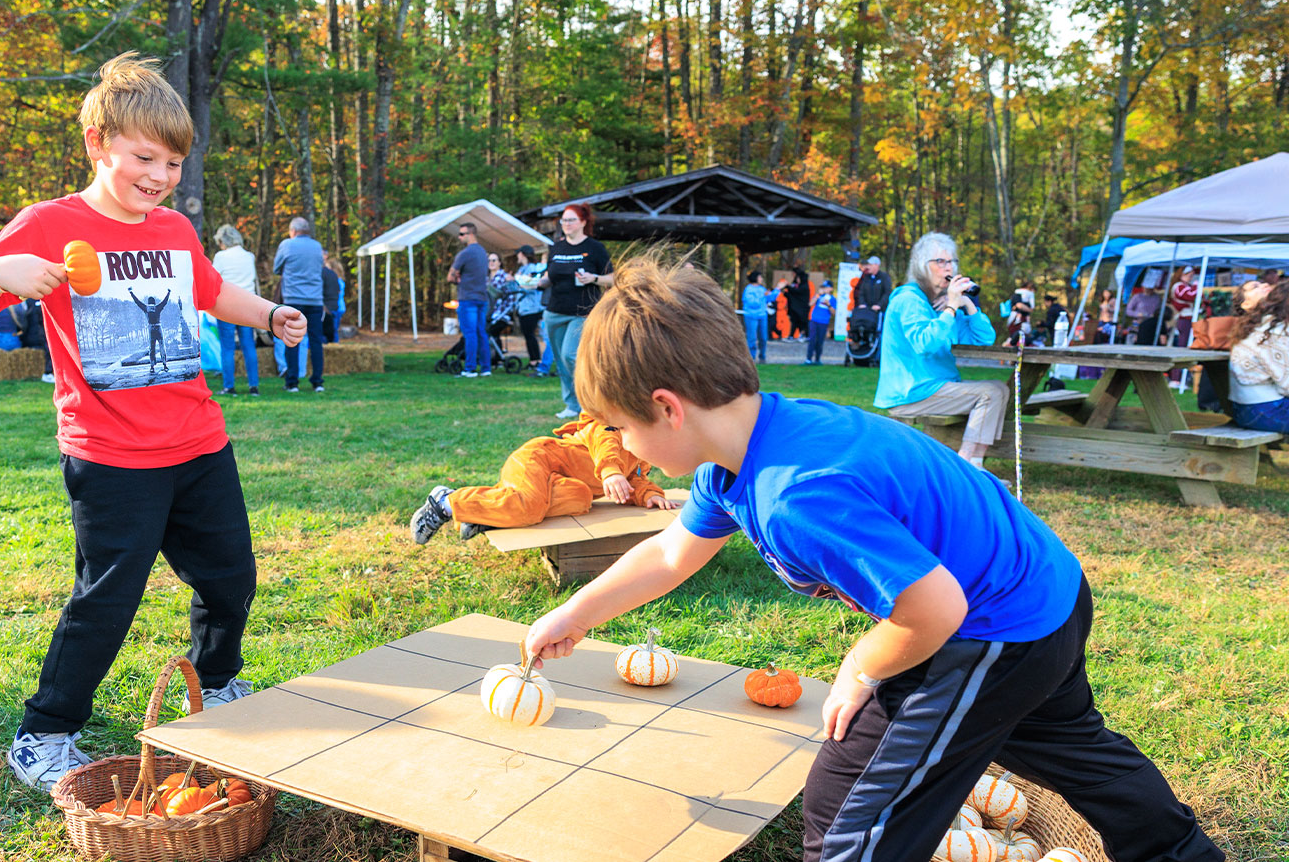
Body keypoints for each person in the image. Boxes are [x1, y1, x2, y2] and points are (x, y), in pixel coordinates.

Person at [520, 258, 1223, 862]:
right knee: (1074, 751)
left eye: (619, 429)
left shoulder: (798, 493)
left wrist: (863, 664)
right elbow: (673, 553)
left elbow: (935, 608)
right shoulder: (745, 452)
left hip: (989, 629)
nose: (622, 447)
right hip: (1048, 589)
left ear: (667, 409)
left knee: (845, 814)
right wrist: (577, 611)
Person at [0, 52, 308, 793]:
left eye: (173, 162)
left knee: (231, 577)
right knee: (107, 597)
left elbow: (208, 291)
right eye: (146, 157)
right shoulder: (50, 224)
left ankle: (218, 685)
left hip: (200, 443)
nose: (161, 175)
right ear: (96, 143)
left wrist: (268, 313)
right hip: (110, 456)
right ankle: (44, 734)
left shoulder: (172, 228)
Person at [410, 412, 678, 545]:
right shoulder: (609, 426)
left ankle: (485, 516)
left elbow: (635, 482)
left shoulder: (640, 457)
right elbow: (604, 442)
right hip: (539, 459)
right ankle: (444, 502)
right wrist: (611, 471)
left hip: (559, 481)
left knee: (582, 498)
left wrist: (651, 495)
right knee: (530, 506)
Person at [874, 233, 1003, 468]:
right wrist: (951, 308)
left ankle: (976, 464)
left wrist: (967, 304)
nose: (949, 267)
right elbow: (925, 344)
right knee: (990, 393)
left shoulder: (944, 303)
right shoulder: (909, 300)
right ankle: (965, 468)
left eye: (952, 261)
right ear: (922, 267)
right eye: (940, 262)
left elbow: (984, 339)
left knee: (999, 388)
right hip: (911, 391)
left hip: (935, 385)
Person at [541, 203, 612, 417]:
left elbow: (614, 278)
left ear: (583, 222)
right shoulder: (556, 248)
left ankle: (589, 401)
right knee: (561, 361)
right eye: (564, 220)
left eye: (571, 220)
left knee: (571, 355)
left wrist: (594, 278)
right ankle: (572, 406)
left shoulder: (595, 248)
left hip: (583, 311)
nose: (566, 224)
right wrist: (532, 282)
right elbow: (548, 277)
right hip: (554, 311)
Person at [272, 216, 326, 393]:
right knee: (316, 341)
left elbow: (276, 268)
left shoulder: (287, 245)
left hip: (294, 299)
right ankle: (317, 381)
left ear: (293, 231)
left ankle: (292, 381)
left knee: (292, 340)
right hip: (315, 300)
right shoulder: (317, 247)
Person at [1227, 279, 1289, 432]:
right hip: (1265, 410)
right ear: (1246, 304)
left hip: (1245, 409)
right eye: (1255, 287)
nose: (1266, 285)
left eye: (1264, 283)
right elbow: (1286, 384)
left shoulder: (1249, 328)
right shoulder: (1269, 331)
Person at [210, 224, 259, 397]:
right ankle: (254, 386)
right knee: (248, 346)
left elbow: (213, 279)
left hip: (228, 306)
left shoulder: (221, 256)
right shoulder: (249, 256)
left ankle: (229, 386)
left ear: (223, 241)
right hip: (248, 304)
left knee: (227, 347)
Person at [449, 221, 491, 378]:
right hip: (482, 298)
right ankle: (486, 368)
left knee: (470, 334)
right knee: (481, 333)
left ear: (471, 234)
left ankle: (470, 368)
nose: (459, 237)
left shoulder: (464, 254)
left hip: (468, 298)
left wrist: (456, 278)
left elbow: (450, 276)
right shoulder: (483, 253)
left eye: (462, 234)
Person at [511, 245, 549, 375]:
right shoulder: (522, 269)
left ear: (523, 254)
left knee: (530, 334)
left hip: (532, 308)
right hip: (523, 308)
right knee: (528, 335)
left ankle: (536, 360)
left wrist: (518, 280)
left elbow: (533, 285)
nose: (517, 256)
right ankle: (534, 359)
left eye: (518, 254)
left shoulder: (534, 268)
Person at [804, 280, 836, 365]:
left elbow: (834, 313)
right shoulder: (818, 296)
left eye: (826, 287)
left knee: (820, 341)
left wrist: (828, 305)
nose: (824, 289)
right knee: (812, 340)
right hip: (814, 320)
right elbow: (810, 304)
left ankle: (817, 359)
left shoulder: (833, 299)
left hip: (824, 322)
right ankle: (808, 359)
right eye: (823, 287)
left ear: (831, 289)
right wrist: (818, 295)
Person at [740, 271, 768, 363]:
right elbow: (753, 303)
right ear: (755, 278)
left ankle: (762, 356)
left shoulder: (762, 289)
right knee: (752, 338)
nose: (761, 279)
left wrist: (777, 290)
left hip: (762, 316)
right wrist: (763, 296)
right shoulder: (748, 290)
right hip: (751, 316)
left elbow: (769, 298)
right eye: (760, 277)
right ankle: (751, 358)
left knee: (763, 338)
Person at [1169, 265, 1198, 347]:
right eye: (1189, 276)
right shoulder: (1179, 286)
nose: (1191, 278)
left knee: (1186, 339)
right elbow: (1190, 296)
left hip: (1187, 317)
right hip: (1184, 317)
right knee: (1183, 340)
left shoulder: (1185, 286)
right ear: (1182, 274)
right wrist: (1196, 285)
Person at [322, 252, 346, 344]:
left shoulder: (337, 281)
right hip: (339, 306)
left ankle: (335, 344)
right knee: (334, 328)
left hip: (337, 307)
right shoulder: (339, 280)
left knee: (333, 329)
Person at [785, 264, 812, 340]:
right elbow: (793, 294)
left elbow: (796, 292)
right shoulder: (798, 284)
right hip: (796, 308)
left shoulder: (804, 286)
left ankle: (806, 335)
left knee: (803, 322)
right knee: (795, 322)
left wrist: (787, 287)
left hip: (802, 308)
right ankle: (793, 335)